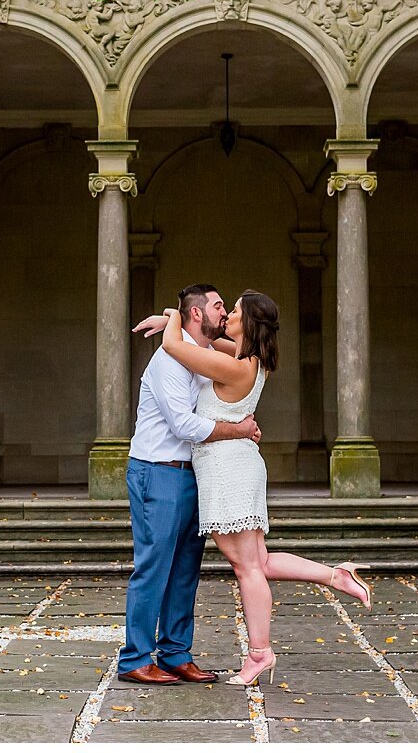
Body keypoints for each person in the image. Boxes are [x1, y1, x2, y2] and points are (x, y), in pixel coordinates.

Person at [137, 290, 374, 688]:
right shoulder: (245, 358)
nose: (227, 314)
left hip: (229, 470)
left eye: (233, 311)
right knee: (258, 562)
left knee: (248, 568)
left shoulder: (238, 367)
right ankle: (336, 576)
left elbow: (175, 345)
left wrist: (170, 320)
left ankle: (259, 654)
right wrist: (174, 318)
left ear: (247, 323)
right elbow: (202, 339)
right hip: (232, 467)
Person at [116, 284, 263, 687]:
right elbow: (184, 425)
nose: (225, 312)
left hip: (192, 473)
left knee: (185, 571)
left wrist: (170, 319)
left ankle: (176, 653)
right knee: (153, 567)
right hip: (157, 471)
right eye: (219, 306)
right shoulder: (169, 360)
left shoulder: (204, 356)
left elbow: (246, 355)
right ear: (198, 314)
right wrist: (236, 430)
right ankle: (134, 659)